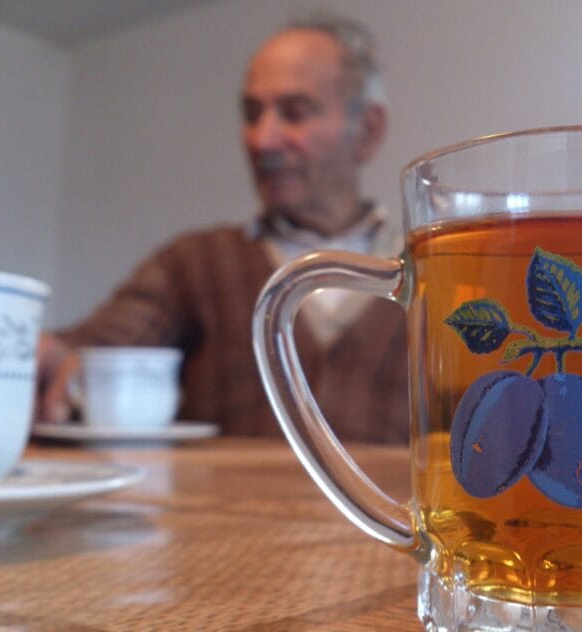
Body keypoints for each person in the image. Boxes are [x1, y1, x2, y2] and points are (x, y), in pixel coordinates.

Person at [35, 14, 408, 445]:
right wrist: (49, 356)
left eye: (294, 112)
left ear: (367, 130)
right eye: (252, 113)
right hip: (220, 512)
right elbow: (96, 347)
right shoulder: (193, 263)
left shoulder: (439, 274)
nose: (261, 140)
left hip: (391, 515)